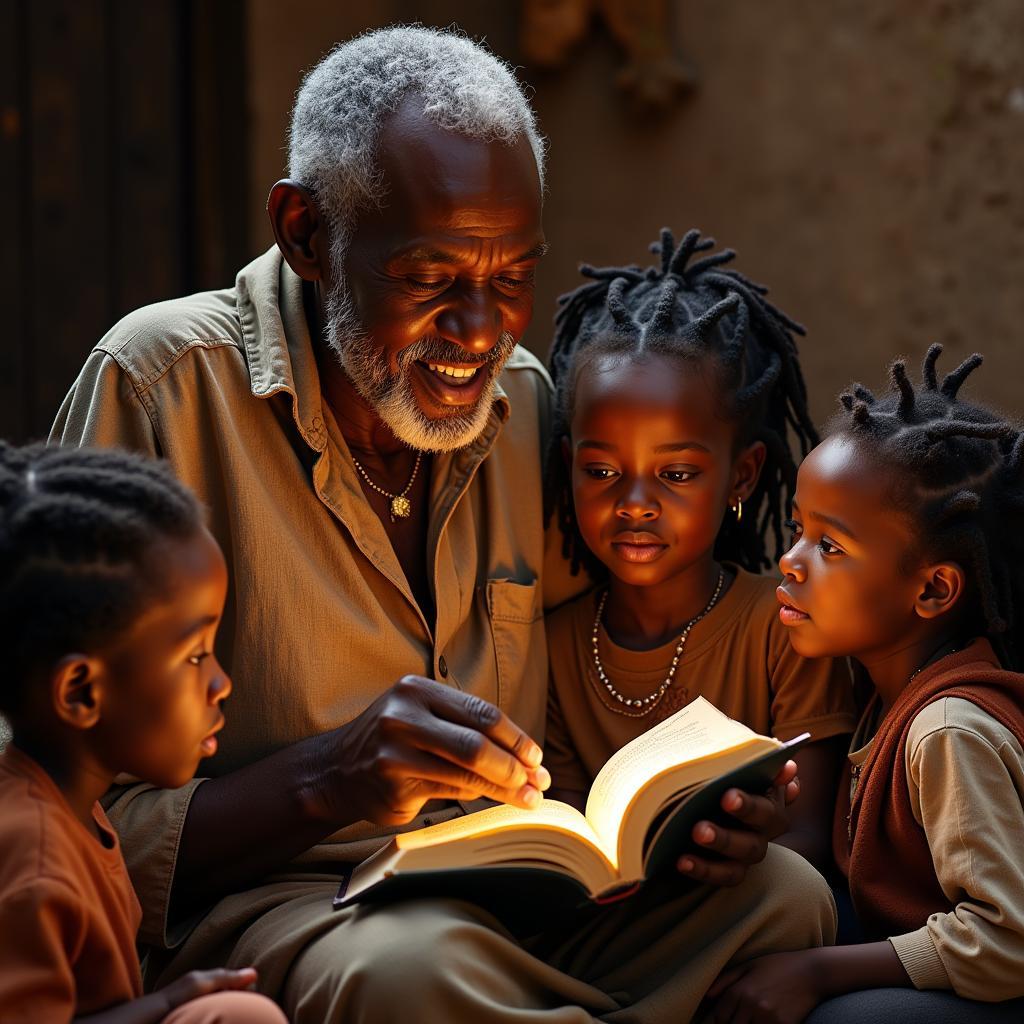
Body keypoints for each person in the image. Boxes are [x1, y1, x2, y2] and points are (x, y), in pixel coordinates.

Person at [51, 26, 836, 1023]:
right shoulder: (161, 384)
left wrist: (695, 809)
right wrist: (328, 782)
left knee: (784, 896)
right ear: (305, 234)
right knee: (408, 972)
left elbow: (603, 654)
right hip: (294, 905)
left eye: (512, 278)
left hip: (510, 892)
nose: (478, 331)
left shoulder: (523, 405)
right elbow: (66, 794)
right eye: (430, 278)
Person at [708, 346, 1024, 1023]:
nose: (790, 563)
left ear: (933, 590)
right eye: (799, 529)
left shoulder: (948, 731)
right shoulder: (881, 693)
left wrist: (818, 970)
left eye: (830, 547)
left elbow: (1008, 941)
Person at [542, 229, 856, 876]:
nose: (634, 503)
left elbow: (810, 849)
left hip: (748, 900)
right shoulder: (553, 645)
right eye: (601, 472)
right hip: (612, 921)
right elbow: (570, 848)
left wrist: (753, 853)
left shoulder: (784, 627)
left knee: (793, 893)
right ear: (568, 467)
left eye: (677, 474)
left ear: (741, 477)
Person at [0, 443, 287, 1024]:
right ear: (81, 692)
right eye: (195, 655)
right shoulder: (33, 862)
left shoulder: (72, 807)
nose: (221, 684)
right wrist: (167, 1004)